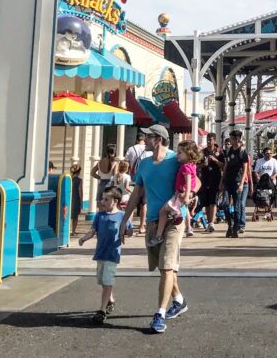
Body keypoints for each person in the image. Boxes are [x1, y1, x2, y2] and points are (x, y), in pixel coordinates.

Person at [120, 125, 187, 334]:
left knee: (167, 267)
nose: (144, 139)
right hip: (151, 222)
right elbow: (136, 192)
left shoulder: (176, 159)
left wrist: (188, 194)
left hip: (173, 220)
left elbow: (196, 180)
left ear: (158, 139)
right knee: (163, 267)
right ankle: (179, 300)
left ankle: (159, 314)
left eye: (148, 136)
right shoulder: (145, 163)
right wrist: (124, 220)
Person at [78, 185, 123, 324]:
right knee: (103, 281)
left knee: (107, 281)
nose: (102, 202)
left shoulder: (122, 215)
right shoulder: (100, 215)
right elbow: (93, 231)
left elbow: (127, 230)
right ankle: (111, 300)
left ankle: (102, 310)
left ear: (115, 201)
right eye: (102, 199)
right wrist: (84, 238)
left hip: (112, 254)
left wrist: (128, 232)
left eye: (106, 199)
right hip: (100, 253)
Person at [154, 140, 200, 245]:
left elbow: (188, 182)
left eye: (180, 153)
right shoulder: (192, 165)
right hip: (180, 194)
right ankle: (179, 218)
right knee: (174, 210)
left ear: (188, 153)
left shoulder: (185, 167)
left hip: (179, 194)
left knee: (162, 212)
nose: (177, 155)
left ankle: (158, 235)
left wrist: (188, 195)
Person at [221, 129, 251, 237]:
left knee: (237, 206)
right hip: (228, 181)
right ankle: (230, 224)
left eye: (232, 138)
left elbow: (245, 169)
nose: (231, 140)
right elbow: (226, 166)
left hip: (237, 182)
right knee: (224, 204)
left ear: (237, 139)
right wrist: (222, 181)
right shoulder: (229, 150)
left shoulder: (242, 152)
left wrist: (242, 183)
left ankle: (236, 227)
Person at [197, 134, 224, 232]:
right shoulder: (203, 152)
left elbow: (224, 166)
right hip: (204, 180)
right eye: (208, 139)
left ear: (214, 140)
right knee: (207, 203)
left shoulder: (219, 152)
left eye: (210, 140)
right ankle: (209, 223)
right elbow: (196, 165)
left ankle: (212, 223)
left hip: (215, 180)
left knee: (213, 202)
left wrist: (215, 160)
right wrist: (202, 165)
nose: (209, 141)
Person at [92, 142, 118, 206]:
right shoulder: (115, 162)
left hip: (101, 183)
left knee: (100, 204)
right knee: (109, 205)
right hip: (110, 184)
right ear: (114, 152)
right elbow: (115, 174)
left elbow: (92, 173)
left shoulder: (100, 161)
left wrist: (100, 177)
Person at [70, 163, 83, 235]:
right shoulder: (79, 180)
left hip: (70, 199)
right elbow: (80, 192)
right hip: (76, 199)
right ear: (79, 171)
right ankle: (73, 231)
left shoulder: (69, 179)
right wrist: (81, 202)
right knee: (75, 217)